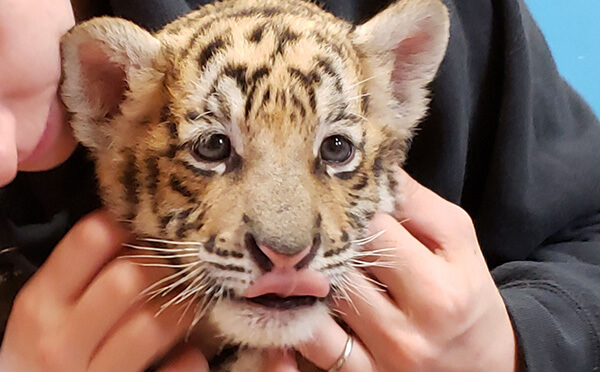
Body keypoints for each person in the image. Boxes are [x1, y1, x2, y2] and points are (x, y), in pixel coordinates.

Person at [1, 0, 599, 371]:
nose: (286, 236)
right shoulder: (76, 112)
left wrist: (517, 348)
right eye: (212, 147)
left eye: (337, 148)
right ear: (106, 103)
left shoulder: (475, 23)